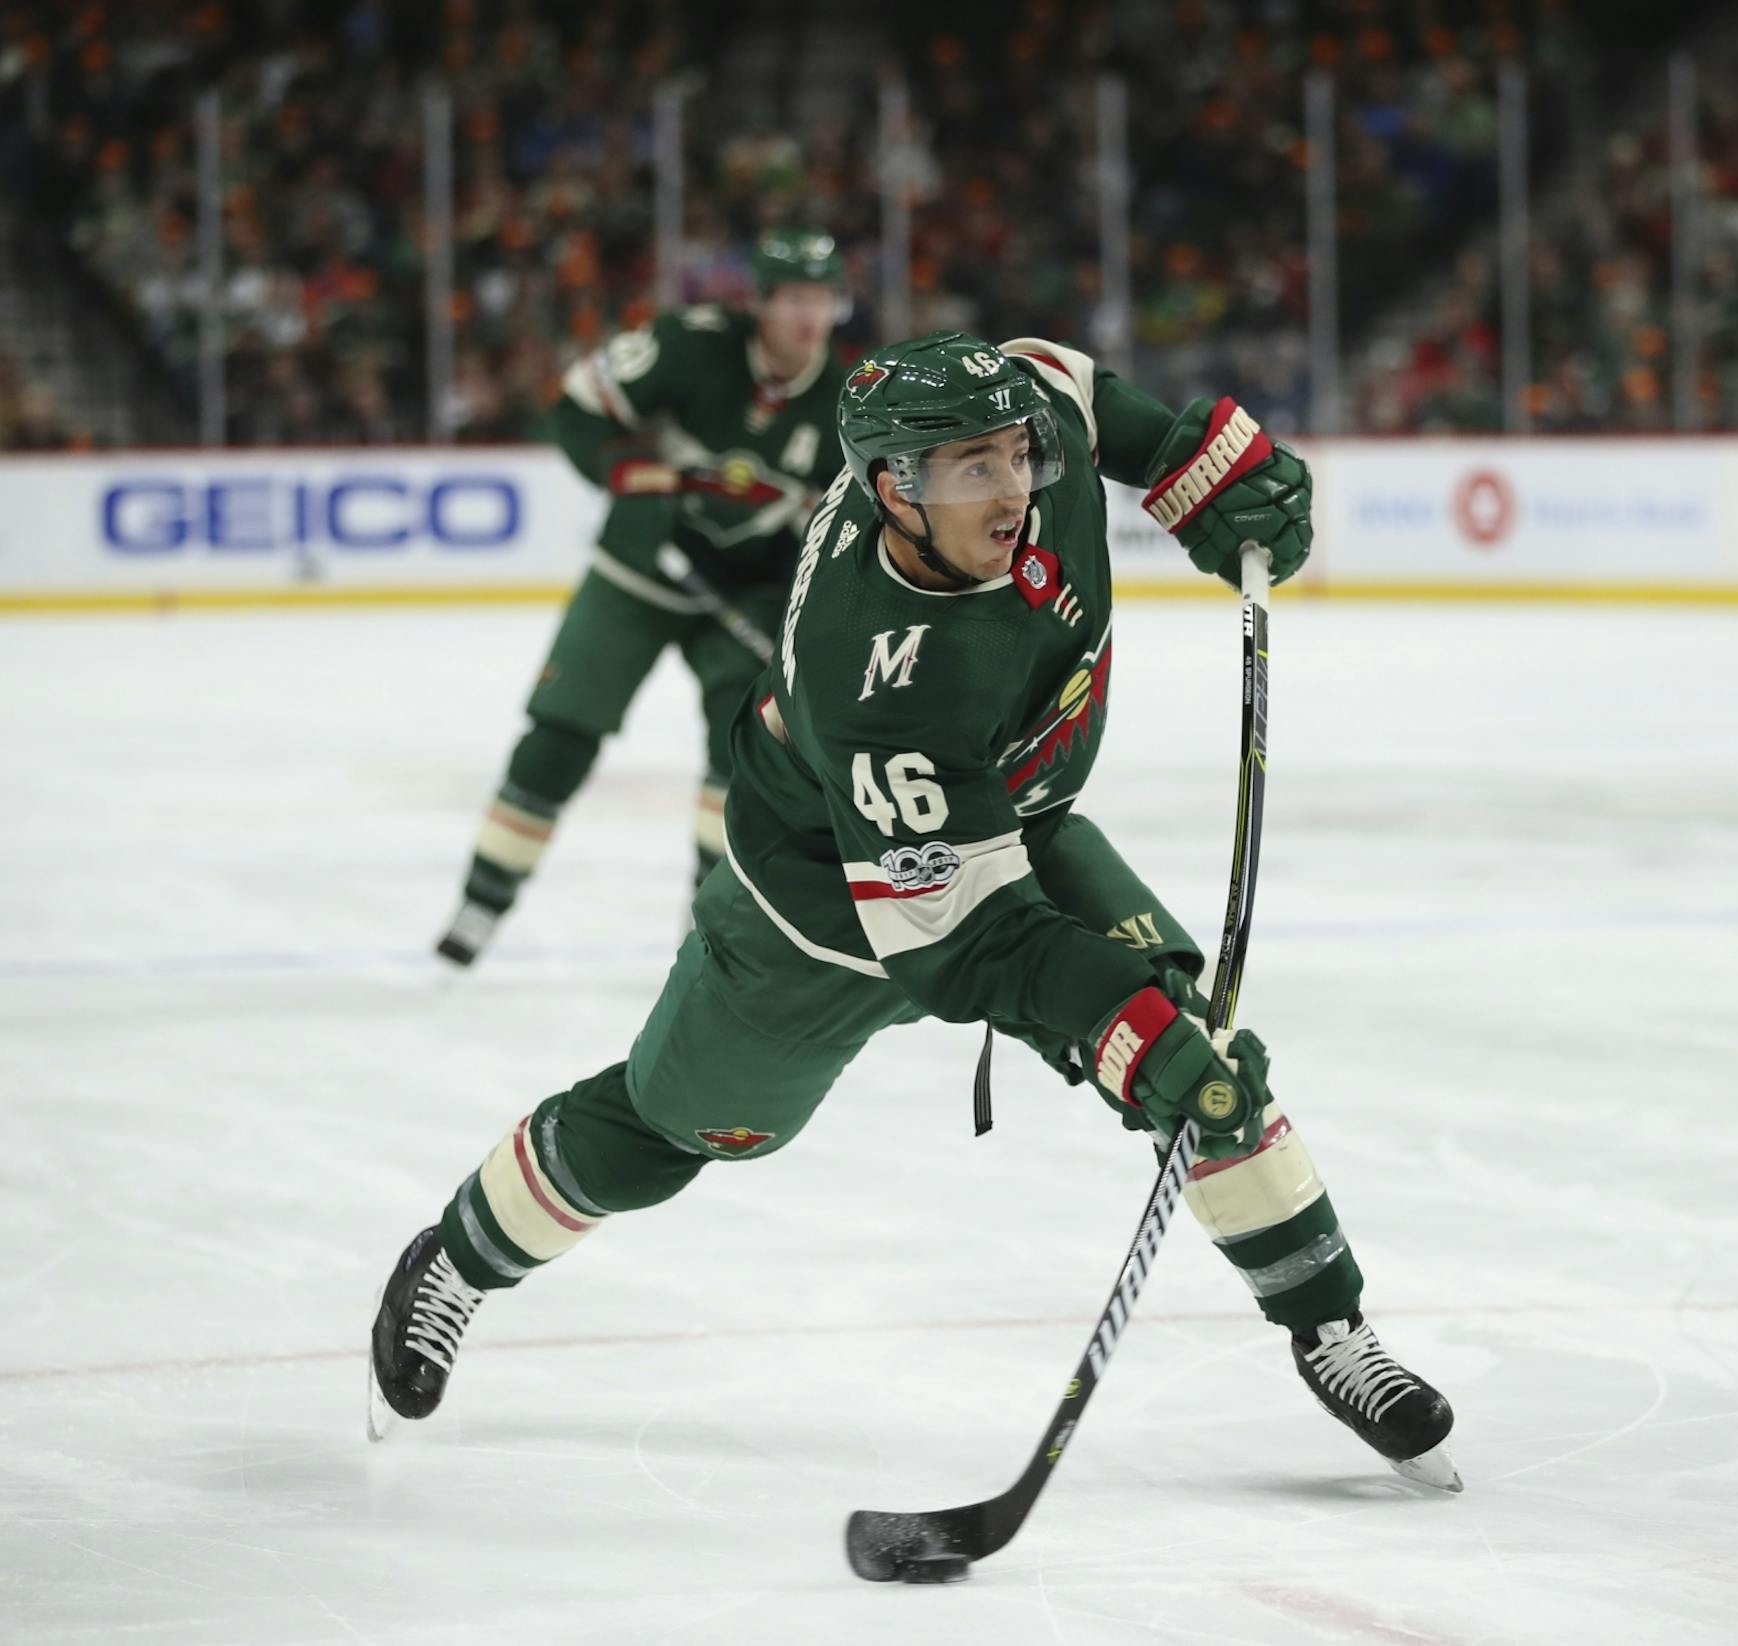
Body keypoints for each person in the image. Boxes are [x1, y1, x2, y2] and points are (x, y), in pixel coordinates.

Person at [379, 331, 1461, 1491]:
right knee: (681, 1123)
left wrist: (1217, 477)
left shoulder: (1032, 405)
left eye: (1018, 457)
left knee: (1200, 1059)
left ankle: (1329, 1324)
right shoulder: (872, 664)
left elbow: (1110, 409)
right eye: (971, 471)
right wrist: (1118, 1023)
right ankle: (462, 1255)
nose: (1014, 492)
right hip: (822, 901)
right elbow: (969, 944)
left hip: (1017, 822)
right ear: (894, 490)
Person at [436, 230, 849, 964]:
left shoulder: (846, 405)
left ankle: (712, 930)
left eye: (822, 301)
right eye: (793, 300)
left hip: (747, 593)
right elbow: (575, 409)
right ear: (759, 303)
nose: (809, 318)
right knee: (559, 735)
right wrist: (621, 464)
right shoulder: (687, 346)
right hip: (638, 571)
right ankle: (482, 902)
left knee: (745, 756)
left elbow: (836, 531)